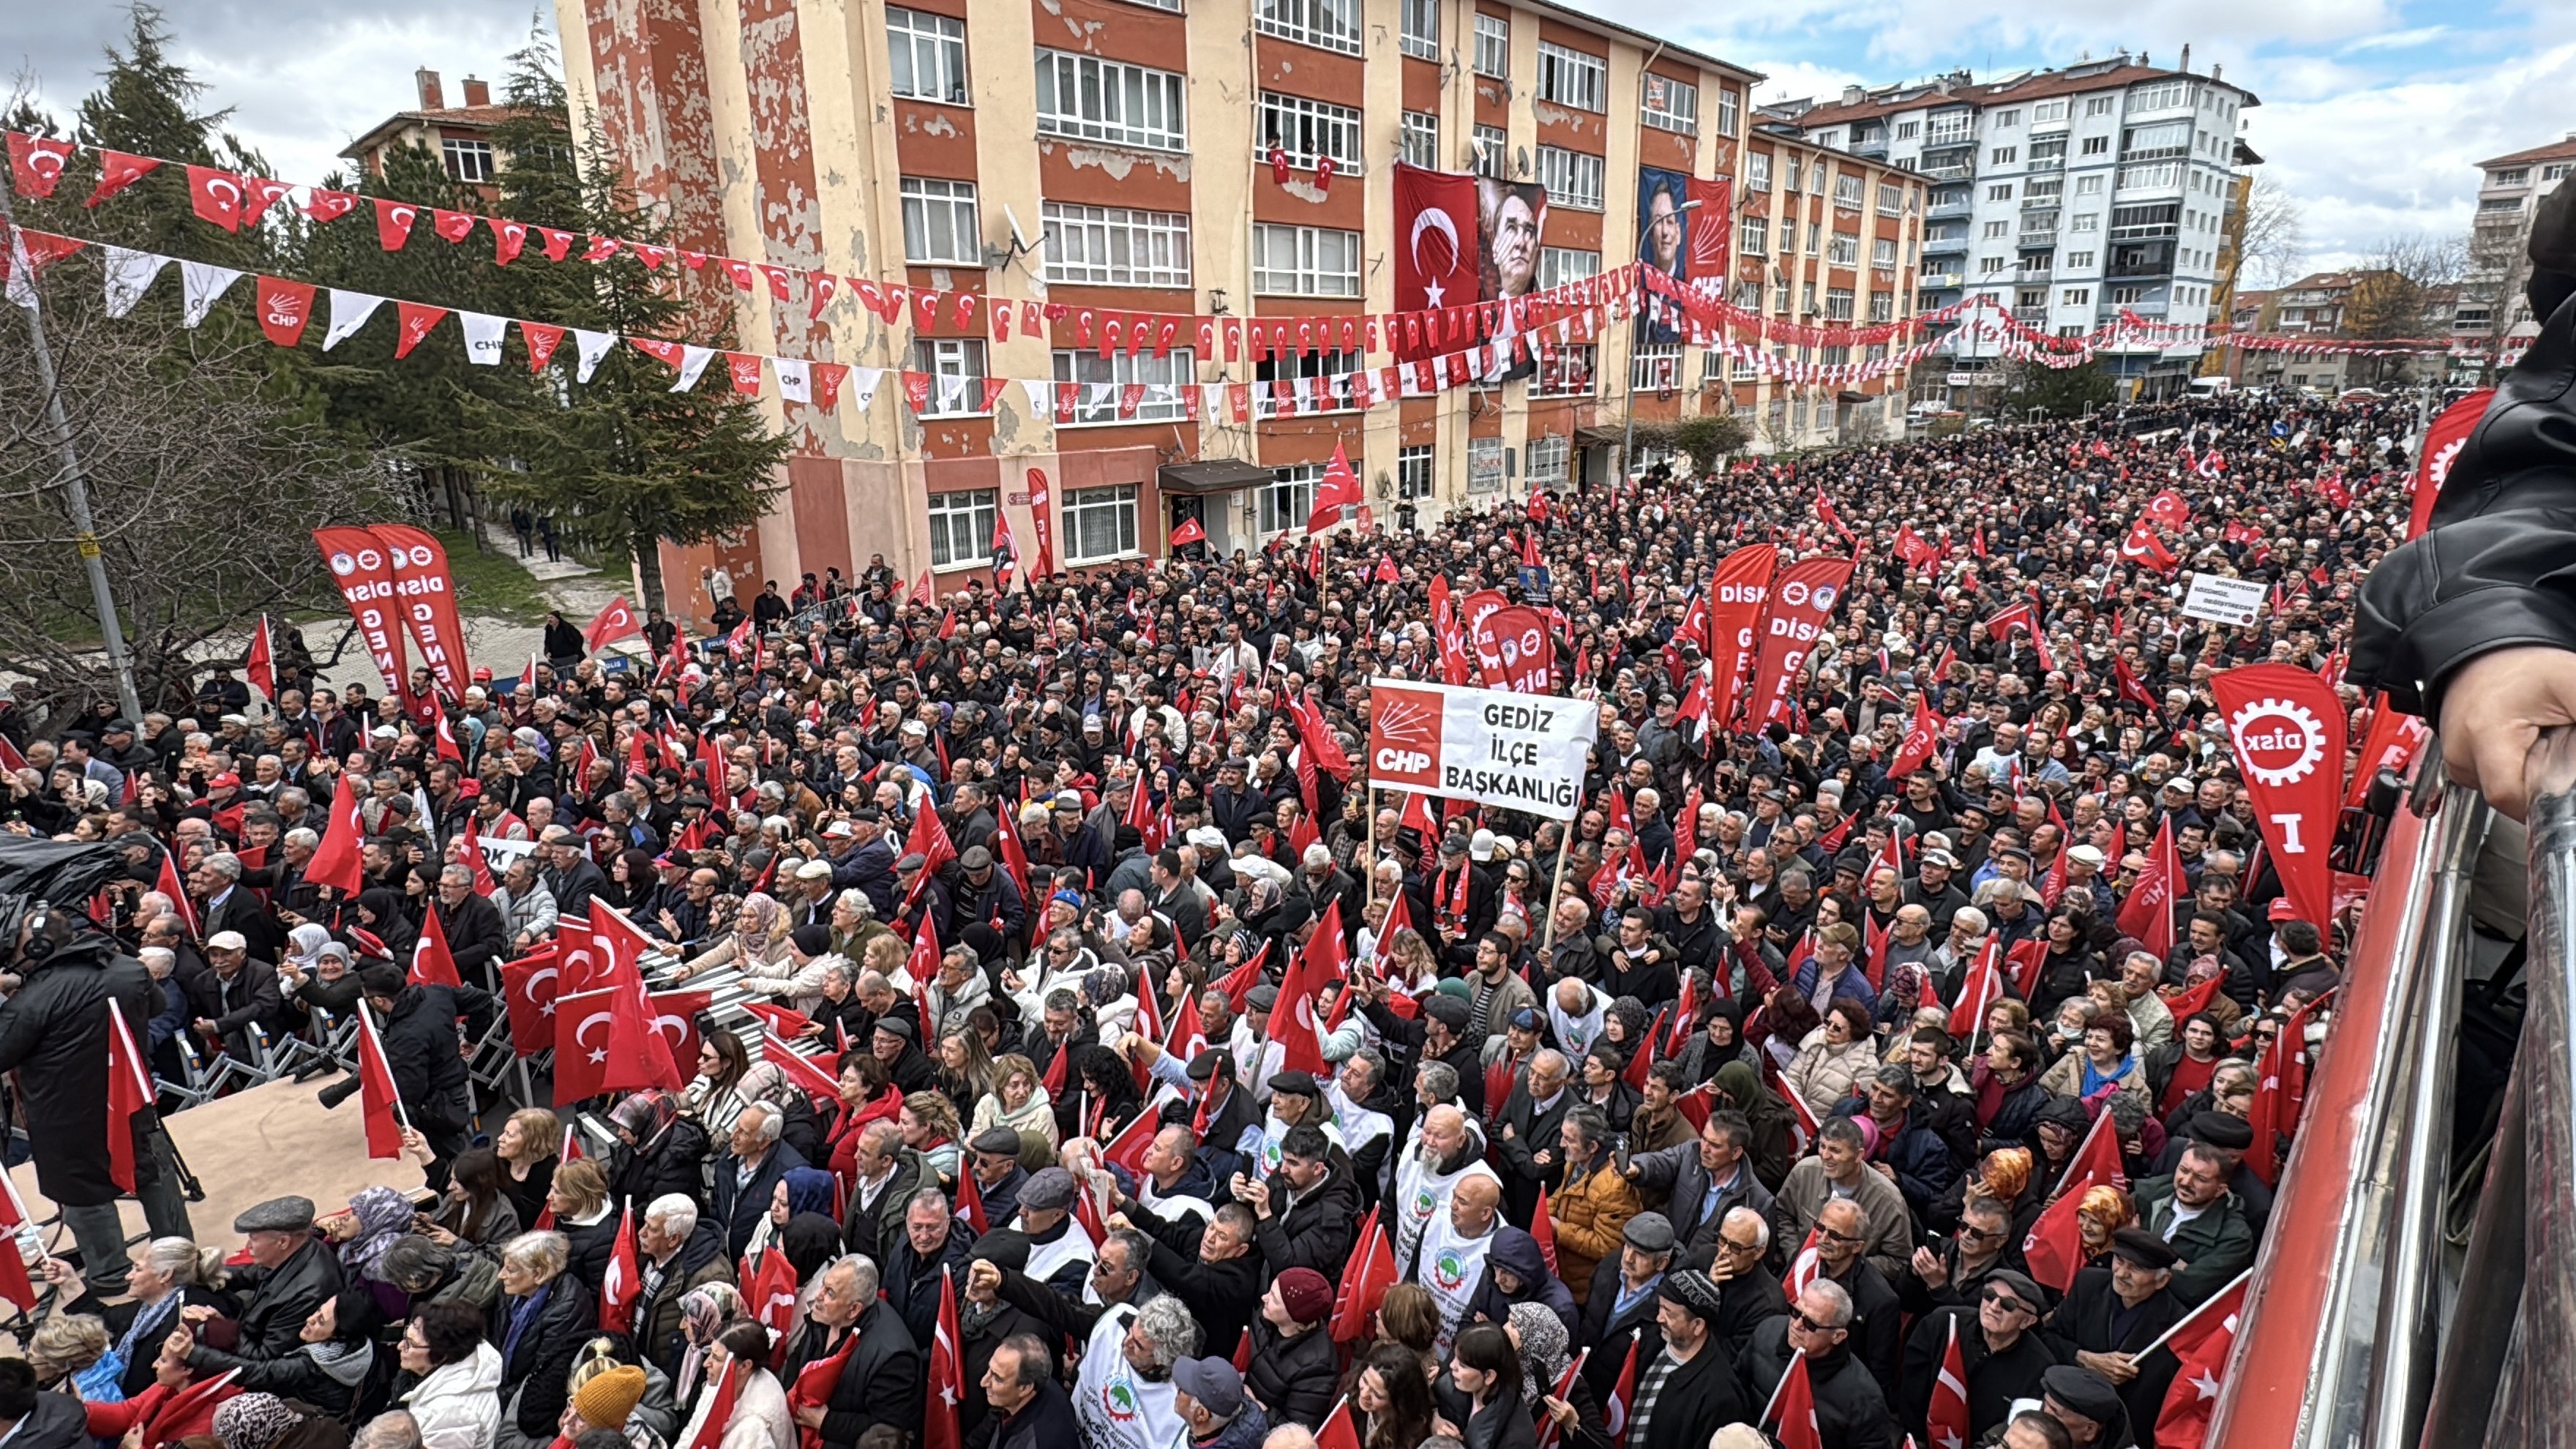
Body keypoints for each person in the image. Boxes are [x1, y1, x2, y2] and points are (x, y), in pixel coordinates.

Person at [0, 904, 192, 1293]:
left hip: (65, 1118)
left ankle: (109, 1274)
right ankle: (178, 1258)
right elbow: (154, 1006)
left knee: (85, 1195)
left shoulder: (32, 1000)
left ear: (38, 948)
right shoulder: (129, 969)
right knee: (153, 1175)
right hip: (131, 1100)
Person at [675, 1320, 792, 1449]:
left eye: (717, 1358)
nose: (706, 1363)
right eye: (711, 1354)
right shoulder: (719, 1380)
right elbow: (693, 1429)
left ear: (745, 1366)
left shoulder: (755, 1427)